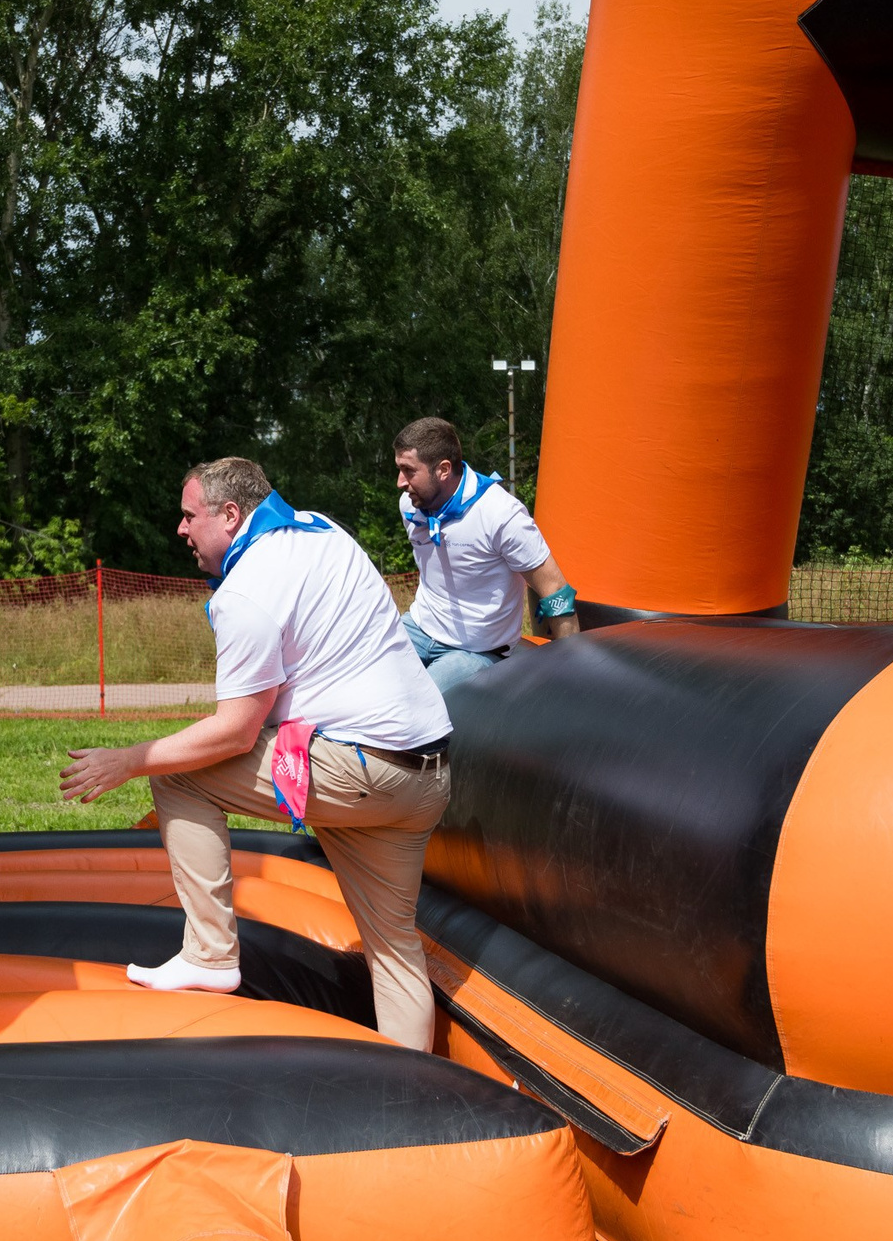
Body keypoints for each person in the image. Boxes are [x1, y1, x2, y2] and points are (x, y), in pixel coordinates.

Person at [57, 457, 452, 1050]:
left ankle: (211, 954)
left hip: (359, 768)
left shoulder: (246, 592)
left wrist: (132, 759)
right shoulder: (318, 529)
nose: (181, 529)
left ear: (230, 515)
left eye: (190, 516)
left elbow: (237, 732)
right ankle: (414, 1099)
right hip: (425, 776)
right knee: (394, 949)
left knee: (180, 776)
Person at [393, 417, 576, 691]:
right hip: (419, 627)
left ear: (443, 469)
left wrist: (573, 673)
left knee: (419, 704)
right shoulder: (410, 505)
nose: (400, 482)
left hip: (478, 650)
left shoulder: (500, 514)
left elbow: (555, 590)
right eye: (399, 469)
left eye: (408, 471)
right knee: (357, 673)